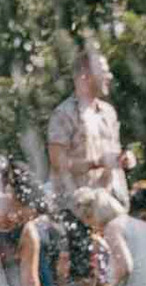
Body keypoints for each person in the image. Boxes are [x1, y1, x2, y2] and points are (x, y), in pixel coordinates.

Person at [47, 42, 127, 208]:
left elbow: (114, 157)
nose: (110, 76)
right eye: (103, 72)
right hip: (75, 208)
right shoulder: (63, 114)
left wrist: (125, 160)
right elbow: (58, 164)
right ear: (85, 75)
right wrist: (96, 162)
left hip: (108, 205)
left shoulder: (108, 112)